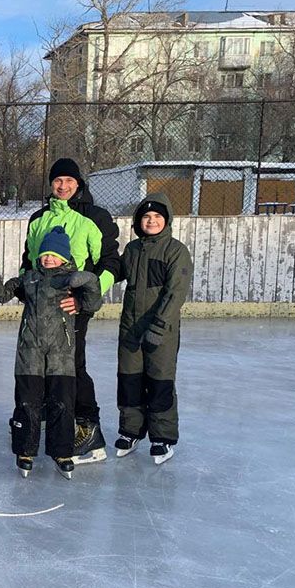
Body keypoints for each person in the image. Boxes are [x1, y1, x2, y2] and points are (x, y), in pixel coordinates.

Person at [21, 158, 120, 464]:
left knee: (72, 365)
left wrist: (84, 298)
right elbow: (29, 261)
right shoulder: (39, 218)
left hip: (72, 306)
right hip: (43, 308)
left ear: (79, 184)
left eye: (69, 181)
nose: (63, 186)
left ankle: (88, 429)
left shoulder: (96, 217)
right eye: (57, 181)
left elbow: (112, 264)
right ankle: (61, 421)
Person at [0, 226, 103, 479]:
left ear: (65, 258)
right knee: (27, 401)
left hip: (61, 352)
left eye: (54, 255)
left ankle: (62, 451)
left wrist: (88, 280)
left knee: (62, 402)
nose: (49, 259)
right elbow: (4, 294)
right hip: (29, 349)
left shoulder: (70, 279)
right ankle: (25, 450)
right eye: (45, 254)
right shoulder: (29, 277)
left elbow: (93, 303)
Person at [115, 193, 193, 465]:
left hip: (162, 328)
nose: (151, 221)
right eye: (146, 217)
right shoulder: (133, 249)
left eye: (157, 217)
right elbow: (116, 272)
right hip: (131, 327)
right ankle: (131, 431)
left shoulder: (175, 251)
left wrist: (159, 325)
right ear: (139, 221)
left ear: (166, 220)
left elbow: (175, 293)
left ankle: (162, 437)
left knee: (160, 381)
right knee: (129, 379)